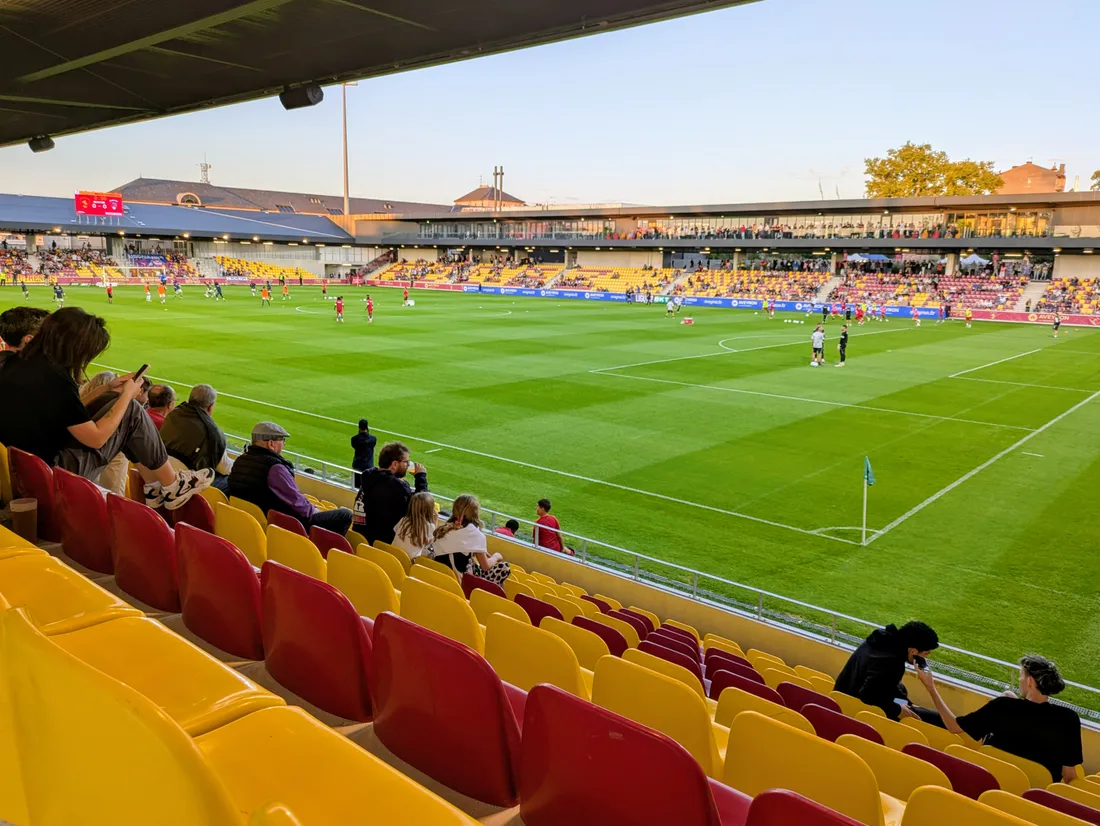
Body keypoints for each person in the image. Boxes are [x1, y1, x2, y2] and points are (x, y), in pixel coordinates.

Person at [0, 308, 211, 509]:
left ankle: (155, 487)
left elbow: (65, 410)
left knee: (112, 399)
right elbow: (97, 438)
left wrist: (106, 388)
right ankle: (172, 484)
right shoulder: (55, 377)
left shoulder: (16, 363)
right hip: (54, 471)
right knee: (130, 411)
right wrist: (129, 395)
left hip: (27, 467)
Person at [916, 654, 1082, 783]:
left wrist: (931, 688)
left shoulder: (1002, 707)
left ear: (1030, 681)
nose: (1019, 681)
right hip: (1033, 799)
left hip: (992, 786)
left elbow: (953, 726)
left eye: (1021, 676)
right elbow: (1069, 775)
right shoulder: (1068, 719)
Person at [228, 422, 352, 534]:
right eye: (282, 440)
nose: (284, 444)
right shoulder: (275, 468)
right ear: (271, 444)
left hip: (252, 521)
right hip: (283, 524)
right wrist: (315, 510)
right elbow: (296, 502)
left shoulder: (240, 460)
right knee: (345, 515)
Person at [834, 621, 941, 722]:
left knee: (900, 689)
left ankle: (907, 704)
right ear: (913, 650)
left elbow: (886, 685)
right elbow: (867, 695)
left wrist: (908, 703)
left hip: (842, 691)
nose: (925, 658)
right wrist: (897, 710)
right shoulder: (893, 663)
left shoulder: (881, 638)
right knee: (936, 718)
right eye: (926, 654)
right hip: (854, 706)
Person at [160, 383, 234, 493]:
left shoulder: (172, 415)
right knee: (229, 481)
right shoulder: (212, 432)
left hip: (162, 473)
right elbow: (225, 469)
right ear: (210, 407)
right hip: (185, 483)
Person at [353, 441, 428, 544]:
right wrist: (421, 478)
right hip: (382, 545)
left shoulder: (370, 477)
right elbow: (421, 505)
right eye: (406, 462)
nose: (408, 465)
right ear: (395, 464)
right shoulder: (396, 486)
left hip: (360, 541)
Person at [432, 494, 510, 586]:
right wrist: (496, 556)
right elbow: (485, 567)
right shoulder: (475, 535)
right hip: (459, 582)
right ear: (475, 513)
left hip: (439, 576)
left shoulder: (443, 529)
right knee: (504, 567)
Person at [391, 491, 438, 559]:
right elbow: (431, 542)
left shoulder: (404, 520)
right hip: (408, 562)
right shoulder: (429, 527)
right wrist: (435, 521)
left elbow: (396, 531)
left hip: (393, 557)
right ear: (430, 510)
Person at [350, 418, 377, 487]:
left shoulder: (354, 439)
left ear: (359, 427)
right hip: (369, 466)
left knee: (356, 487)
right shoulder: (373, 439)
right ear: (367, 427)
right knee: (368, 487)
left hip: (358, 466)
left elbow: (354, 445)